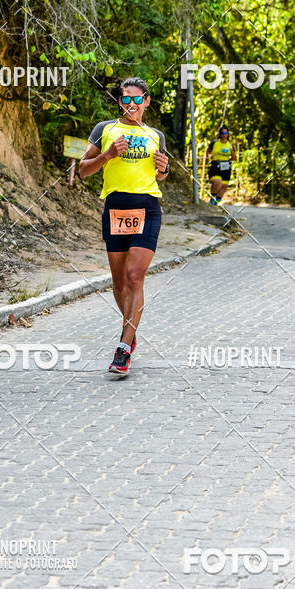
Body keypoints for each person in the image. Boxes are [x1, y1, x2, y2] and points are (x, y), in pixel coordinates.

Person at [79, 77, 169, 377]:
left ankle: (123, 348)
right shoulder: (104, 129)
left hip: (148, 207)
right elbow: (82, 170)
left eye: (137, 98)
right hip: (116, 208)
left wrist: (164, 168)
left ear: (147, 101)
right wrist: (107, 155)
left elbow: (162, 174)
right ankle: (132, 329)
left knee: (134, 277)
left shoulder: (155, 134)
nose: (131, 104)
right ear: (120, 101)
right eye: (125, 99)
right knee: (118, 284)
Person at [207, 126, 236, 205]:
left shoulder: (230, 145)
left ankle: (216, 203)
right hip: (216, 165)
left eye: (226, 133)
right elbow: (208, 151)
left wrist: (232, 151)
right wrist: (210, 156)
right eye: (223, 133)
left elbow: (234, 158)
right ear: (220, 134)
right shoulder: (215, 143)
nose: (224, 135)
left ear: (228, 134)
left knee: (223, 187)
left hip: (226, 167)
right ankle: (211, 200)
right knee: (217, 182)